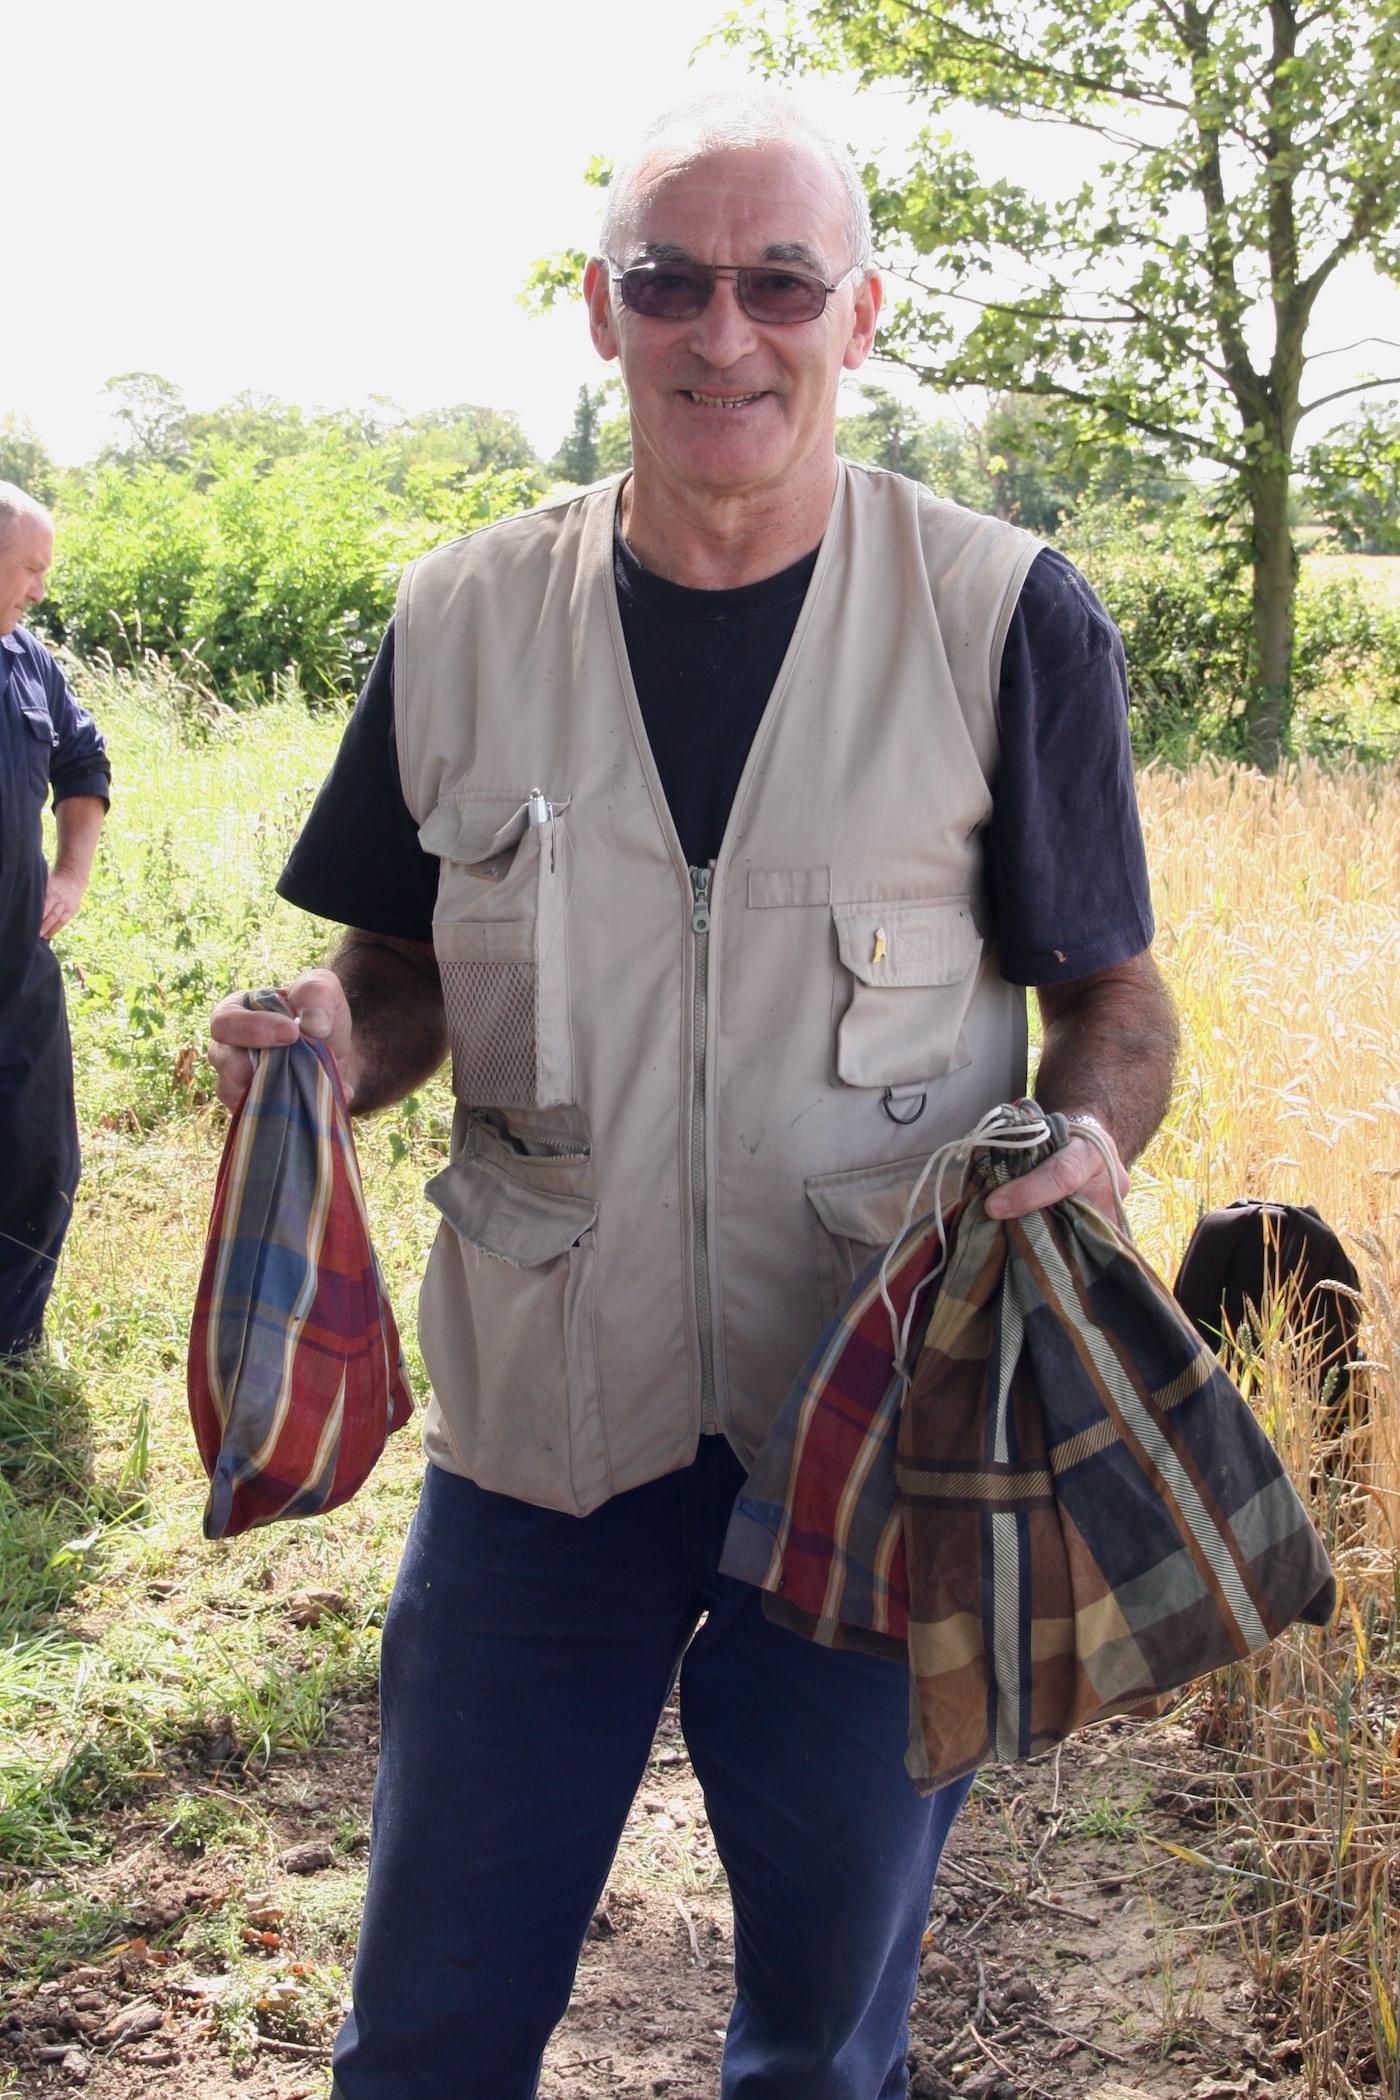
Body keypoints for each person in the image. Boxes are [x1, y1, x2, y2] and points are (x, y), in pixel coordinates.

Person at [209, 90, 1178, 2100]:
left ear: (860, 312)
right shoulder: (460, 616)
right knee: (429, 2029)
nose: (719, 329)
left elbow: (1114, 1007)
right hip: (539, 1443)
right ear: (600, 311)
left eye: (776, 281)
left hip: (874, 1420)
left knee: (823, 2046)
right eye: (669, 280)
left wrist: (1084, 1145)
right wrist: (327, 1037)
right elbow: (397, 981)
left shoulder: (1005, 614)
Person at [0, 484, 109, 1361]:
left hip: (16, 964)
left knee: (39, 1153)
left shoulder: (31, 663)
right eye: (30, 569)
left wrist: (70, 873)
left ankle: (12, 1343)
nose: (39, 590)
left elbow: (84, 761)